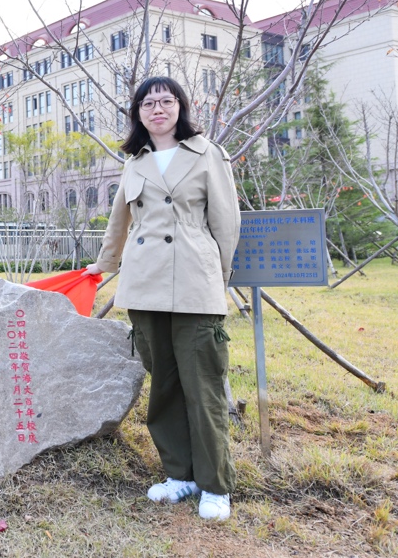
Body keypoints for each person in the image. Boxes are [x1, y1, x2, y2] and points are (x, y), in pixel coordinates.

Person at [85, 76, 240, 522]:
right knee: (164, 385)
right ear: (138, 113)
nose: (158, 109)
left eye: (166, 101)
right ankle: (180, 475)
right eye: (148, 103)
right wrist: (105, 263)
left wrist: (218, 277)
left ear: (180, 107)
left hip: (195, 282)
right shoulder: (135, 162)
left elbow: (226, 222)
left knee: (203, 386)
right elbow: (120, 220)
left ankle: (215, 485)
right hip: (145, 283)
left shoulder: (208, 154)